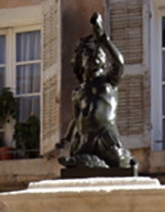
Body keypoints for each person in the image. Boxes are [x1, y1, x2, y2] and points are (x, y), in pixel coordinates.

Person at [56, 13, 136, 170]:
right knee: (78, 166)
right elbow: (75, 117)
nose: (94, 57)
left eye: (98, 54)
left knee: (118, 162)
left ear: (104, 61)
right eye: (89, 54)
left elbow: (119, 63)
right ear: (83, 61)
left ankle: (118, 159)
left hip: (105, 134)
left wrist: (103, 39)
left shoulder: (109, 81)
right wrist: (66, 138)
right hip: (84, 136)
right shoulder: (79, 90)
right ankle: (87, 161)